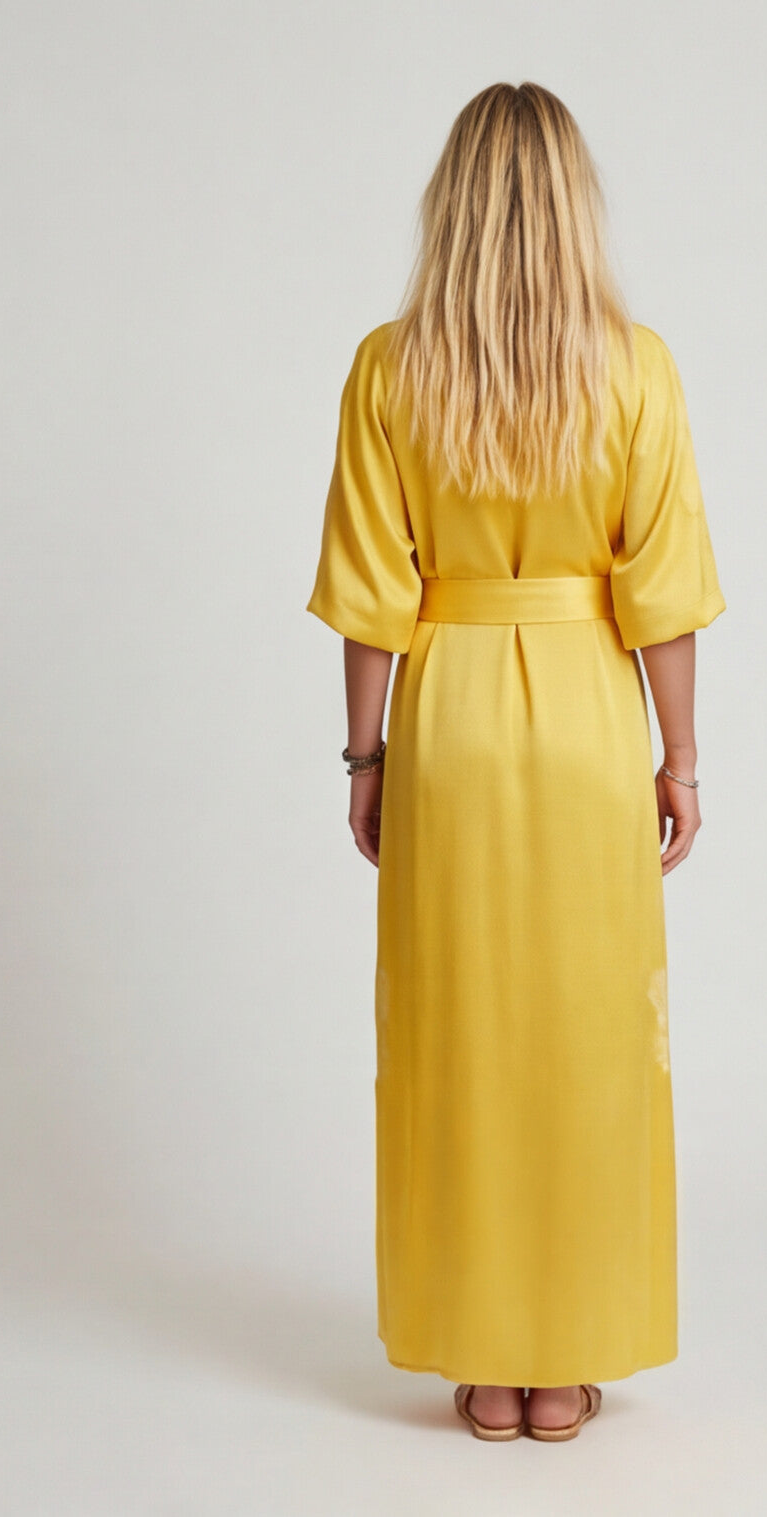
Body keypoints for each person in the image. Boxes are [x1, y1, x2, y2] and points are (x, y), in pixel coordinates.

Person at [306, 81, 726, 1443]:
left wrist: (366, 758)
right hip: (591, 721)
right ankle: (565, 1358)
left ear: (455, 206)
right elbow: (663, 593)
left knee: (462, 1036)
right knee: (588, 1040)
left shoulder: (391, 369)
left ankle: (483, 1360)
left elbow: (371, 593)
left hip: (451, 725)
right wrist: (682, 762)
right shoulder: (636, 368)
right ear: (573, 206)